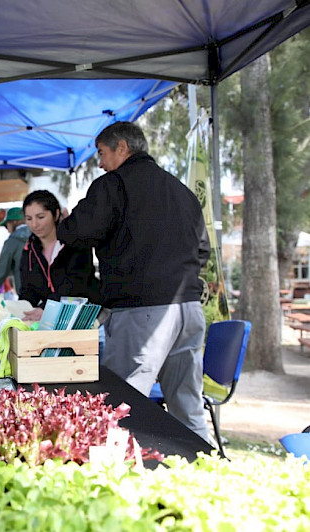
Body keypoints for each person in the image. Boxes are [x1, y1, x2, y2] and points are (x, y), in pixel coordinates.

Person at [57, 121, 211, 441]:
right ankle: (208, 478)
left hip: (143, 313)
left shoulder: (113, 185)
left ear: (122, 148)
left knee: (120, 409)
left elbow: (76, 232)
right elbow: (203, 250)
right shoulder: (181, 190)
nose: (99, 163)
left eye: (101, 153)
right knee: (188, 407)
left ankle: (121, 485)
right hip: (189, 310)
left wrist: (65, 220)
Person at [19, 190, 99, 322]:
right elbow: (28, 291)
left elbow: (76, 283)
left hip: (85, 318)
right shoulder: (29, 251)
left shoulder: (75, 242)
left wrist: (46, 308)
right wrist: (20, 308)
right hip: (51, 321)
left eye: (40, 217)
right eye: (29, 219)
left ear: (56, 214)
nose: (34, 224)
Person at [0, 207, 31, 295]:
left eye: (6, 225)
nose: (7, 230)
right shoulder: (40, 235)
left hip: (27, 295)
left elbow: (1, 271)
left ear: (14, 222)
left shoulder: (12, 241)